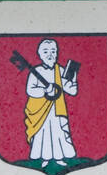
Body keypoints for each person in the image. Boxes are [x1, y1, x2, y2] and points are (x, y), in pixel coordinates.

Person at [24, 38, 77, 166]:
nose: (50, 54)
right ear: (40, 54)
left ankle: (59, 157)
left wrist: (73, 80)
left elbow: (72, 91)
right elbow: (30, 90)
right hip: (40, 110)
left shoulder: (61, 70)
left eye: (53, 51)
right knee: (43, 131)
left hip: (57, 108)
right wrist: (45, 90)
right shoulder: (36, 72)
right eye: (46, 51)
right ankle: (44, 158)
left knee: (58, 131)